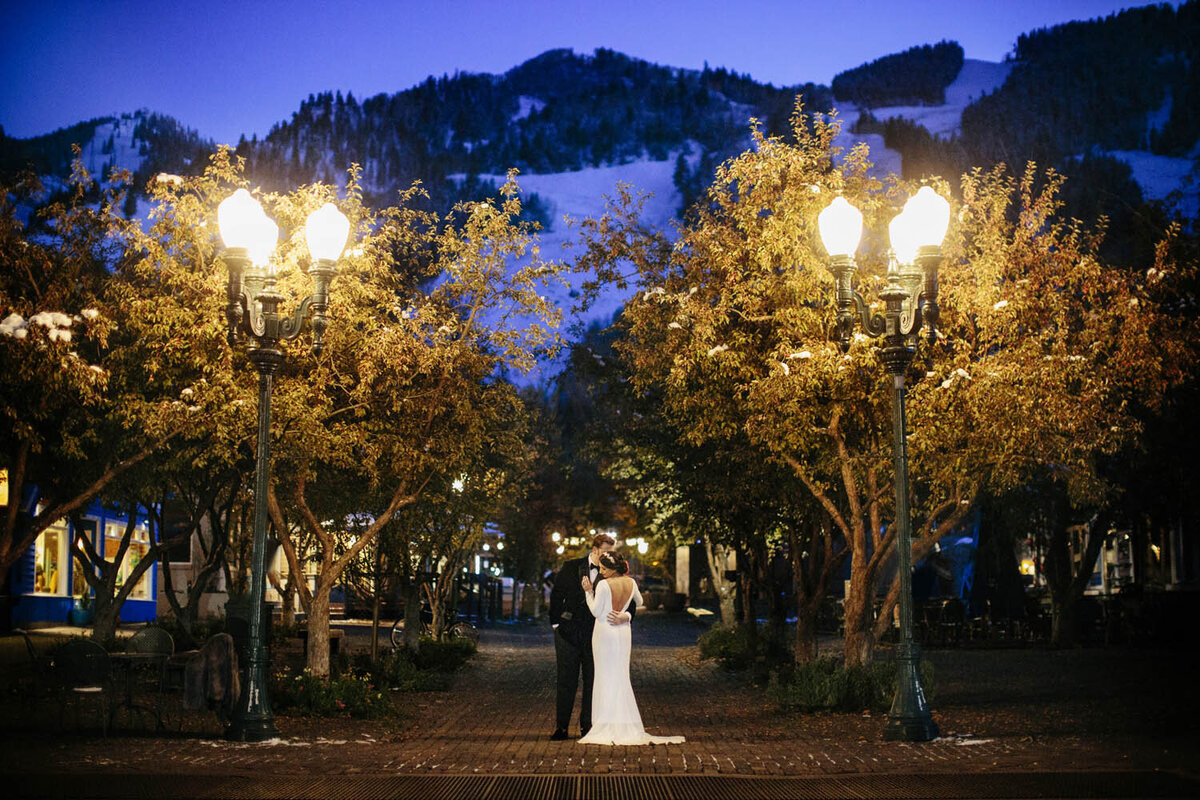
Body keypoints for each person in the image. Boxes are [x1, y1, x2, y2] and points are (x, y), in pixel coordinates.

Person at [579, 551, 685, 746]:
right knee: (620, 675)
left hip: (605, 631)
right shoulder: (631, 583)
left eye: (603, 569)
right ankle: (622, 721)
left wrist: (588, 591)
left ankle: (606, 722)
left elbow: (595, 611)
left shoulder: (603, 585)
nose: (601, 572)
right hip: (623, 632)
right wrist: (626, 615)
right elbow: (640, 602)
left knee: (604, 675)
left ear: (612, 569)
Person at [548, 533, 632, 740]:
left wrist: (626, 617)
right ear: (594, 550)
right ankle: (562, 727)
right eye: (605, 552)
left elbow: (630, 601)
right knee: (566, 680)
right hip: (568, 632)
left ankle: (589, 726)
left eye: (611, 553)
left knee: (593, 680)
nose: (608, 557)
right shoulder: (571, 567)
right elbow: (557, 594)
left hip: (598, 634)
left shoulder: (612, 574)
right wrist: (556, 624)